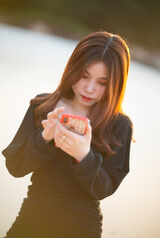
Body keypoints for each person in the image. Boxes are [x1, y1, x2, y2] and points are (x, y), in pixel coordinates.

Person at [2, 31, 133, 238]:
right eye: (84, 76)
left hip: (81, 228)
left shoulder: (119, 126)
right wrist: (43, 138)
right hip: (30, 221)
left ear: (115, 85)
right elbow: (15, 167)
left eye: (102, 83)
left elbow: (103, 189)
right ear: (73, 69)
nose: (89, 88)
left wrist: (84, 157)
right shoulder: (44, 107)